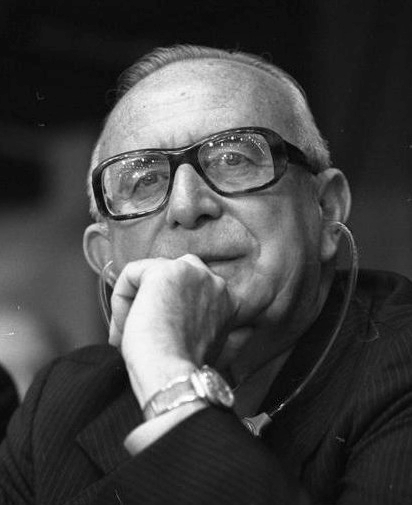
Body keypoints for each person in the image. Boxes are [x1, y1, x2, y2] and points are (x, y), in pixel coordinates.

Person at [1, 44, 412, 505]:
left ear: (326, 208)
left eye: (233, 158)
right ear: (106, 258)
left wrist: (167, 380)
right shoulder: (59, 407)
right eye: (144, 180)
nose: (186, 206)